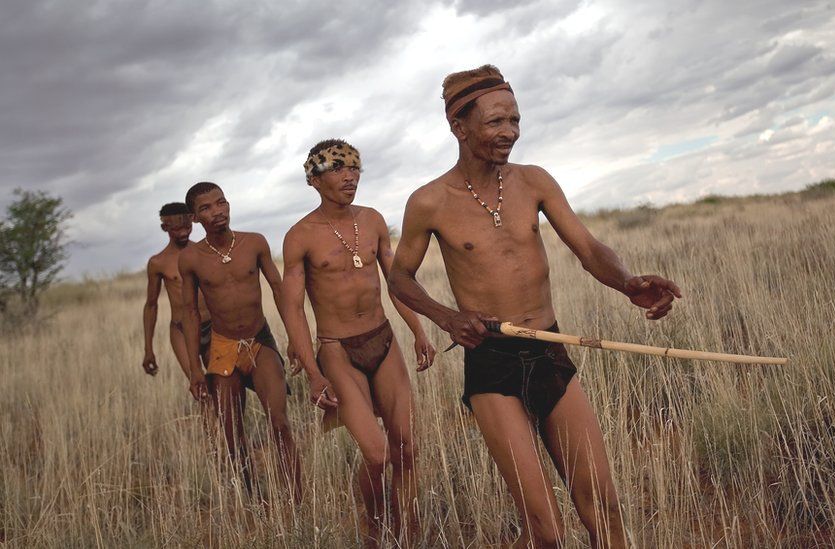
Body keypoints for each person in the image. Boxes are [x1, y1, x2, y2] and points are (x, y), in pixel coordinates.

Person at [389, 65, 682, 548]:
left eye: (515, 120)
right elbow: (400, 276)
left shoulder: (534, 181)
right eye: (495, 122)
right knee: (545, 530)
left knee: (603, 507)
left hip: (550, 350)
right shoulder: (429, 201)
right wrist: (447, 317)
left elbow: (588, 249)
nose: (510, 133)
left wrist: (627, 283)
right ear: (458, 127)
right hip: (493, 363)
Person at [282, 139, 436, 546]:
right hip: (337, 351)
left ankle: (407, 531)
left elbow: (397, 283)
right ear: (314, 180)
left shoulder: (372, 220)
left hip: (383, 341)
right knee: (377, 454)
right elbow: (293, 309)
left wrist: (419, 330)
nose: (350, 177)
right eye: (338, 169)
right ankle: (374, 524)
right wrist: (314, 374)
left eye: (355, 169)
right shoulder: (300, 236)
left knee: (405, 448)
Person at [178, 182, 302, 502]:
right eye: (206, 208)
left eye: (220, 203)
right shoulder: (192, 259)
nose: (216, 212)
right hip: (221, 348)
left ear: (228, 204)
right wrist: (194, 368)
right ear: (194, 218)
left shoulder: (254, 243)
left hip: (259, 341)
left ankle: (296, 498)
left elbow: (278, 289)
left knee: (279, 423)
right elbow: (190, 313)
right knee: (233, 436)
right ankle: (252, 500)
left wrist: (294, 340)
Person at [142, 203, 212, 382]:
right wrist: (148, 349)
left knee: (222, 383)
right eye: (177, 229)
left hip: (211, 326)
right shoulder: (158, 263)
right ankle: (206, 410)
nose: (183, 233)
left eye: (187, 227)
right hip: (181, 329)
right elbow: (151, 305)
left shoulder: (204, 252)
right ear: (165, 227)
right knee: (199, 387)